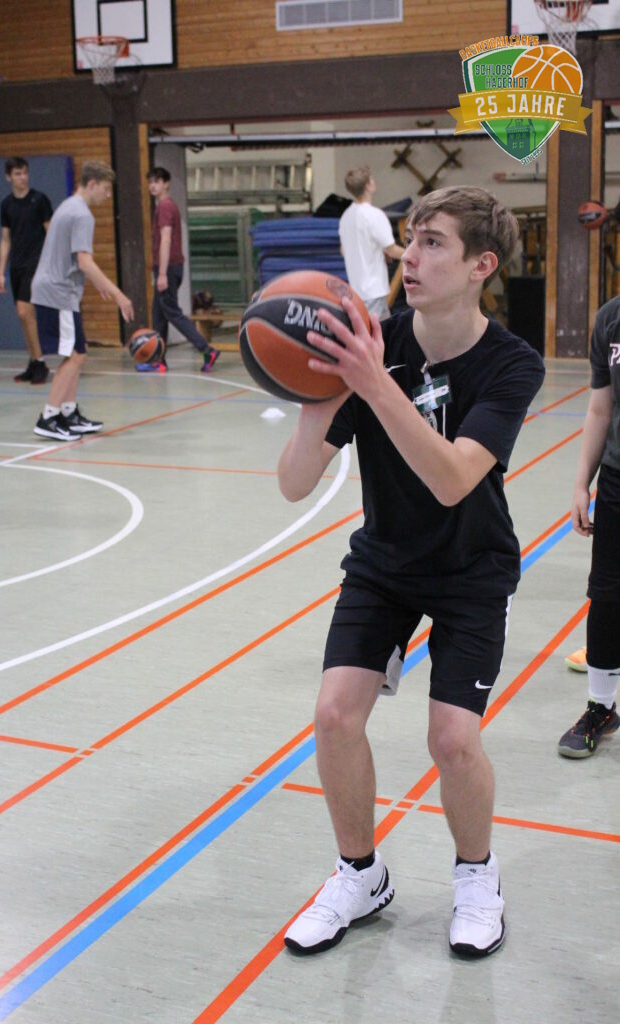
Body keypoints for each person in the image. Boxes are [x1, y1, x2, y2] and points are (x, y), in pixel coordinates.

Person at [278, 186, 545, 958]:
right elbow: (294, 484)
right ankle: (359, 875)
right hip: (384, 564)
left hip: (471, 570)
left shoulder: (511, 364)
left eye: (432, 243)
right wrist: (314, 399)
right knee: (334, 716)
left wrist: (371, 383)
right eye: (410, 239)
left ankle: (476, 877)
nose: (411, 257)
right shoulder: (375, 342)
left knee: (452, 740)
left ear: (480, 266)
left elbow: (453, 478)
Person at [558, 295, 620, 758]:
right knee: (607, 595)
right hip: (617, 480)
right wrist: (582, 483)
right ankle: (601, 707)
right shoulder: (611, 319)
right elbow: (601, 409)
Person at [31, 160, 133, 441]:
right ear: (92, 184)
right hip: (58, 292)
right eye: (106, 189)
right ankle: (49, 417)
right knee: (75, 355)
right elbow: (85, 261)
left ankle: (68, 412)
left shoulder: (67, 206)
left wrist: (97, 283)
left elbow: (74, 260)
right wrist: (118, 294)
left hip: (56, 290)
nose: (108, 195)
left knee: (78, 351)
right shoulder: (82, 215)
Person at [142, 166, 220, 374]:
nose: (153, 186)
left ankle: (207, 350)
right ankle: (159, 361)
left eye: (157, 181)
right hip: (169, 267)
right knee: (158, 315)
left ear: (166, 183)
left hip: (168, 268)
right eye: (150, 182)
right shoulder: (164, 206)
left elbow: (166, 239)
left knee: (172, 313)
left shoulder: (165, 207)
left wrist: (162, 274)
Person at [0, 157, 53, 385]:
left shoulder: (39, 200)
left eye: (25, 173)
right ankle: (33, 361)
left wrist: (52, 263)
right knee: (23, 316)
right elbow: (5, 239)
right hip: (17, 266)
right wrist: (1, 272)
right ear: (8, 177)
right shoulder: (6, 205)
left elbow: (51, 232)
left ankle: (41, 362)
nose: (22, 178)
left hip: (36, 263)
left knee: (24, 311)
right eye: (17, 174)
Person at [338, 165, 405, 322]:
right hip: (374, 289)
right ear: (368, 186)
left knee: (382, 330)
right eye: (372, 179)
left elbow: (343, 250)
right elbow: (392, 249)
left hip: (357, 289)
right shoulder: (375, 215)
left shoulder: (346, 216)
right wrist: (416, 255)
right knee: (374, 330)